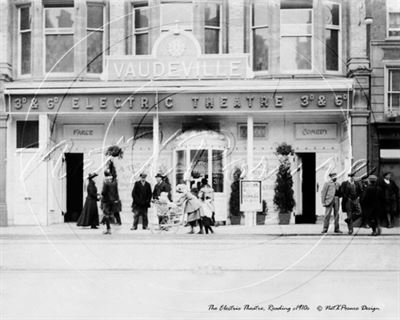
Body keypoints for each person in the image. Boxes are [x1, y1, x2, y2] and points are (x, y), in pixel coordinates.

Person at [100, 170, 120, 235]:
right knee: (109, 214)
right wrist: (116, 199)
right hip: (113, 201)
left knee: (106, 215)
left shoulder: (106, 183)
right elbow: (116, 192)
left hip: (106, 201)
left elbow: (103, 192)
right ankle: (108, 227)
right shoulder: (114, 183)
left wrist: (101, 195)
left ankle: (108, 229)